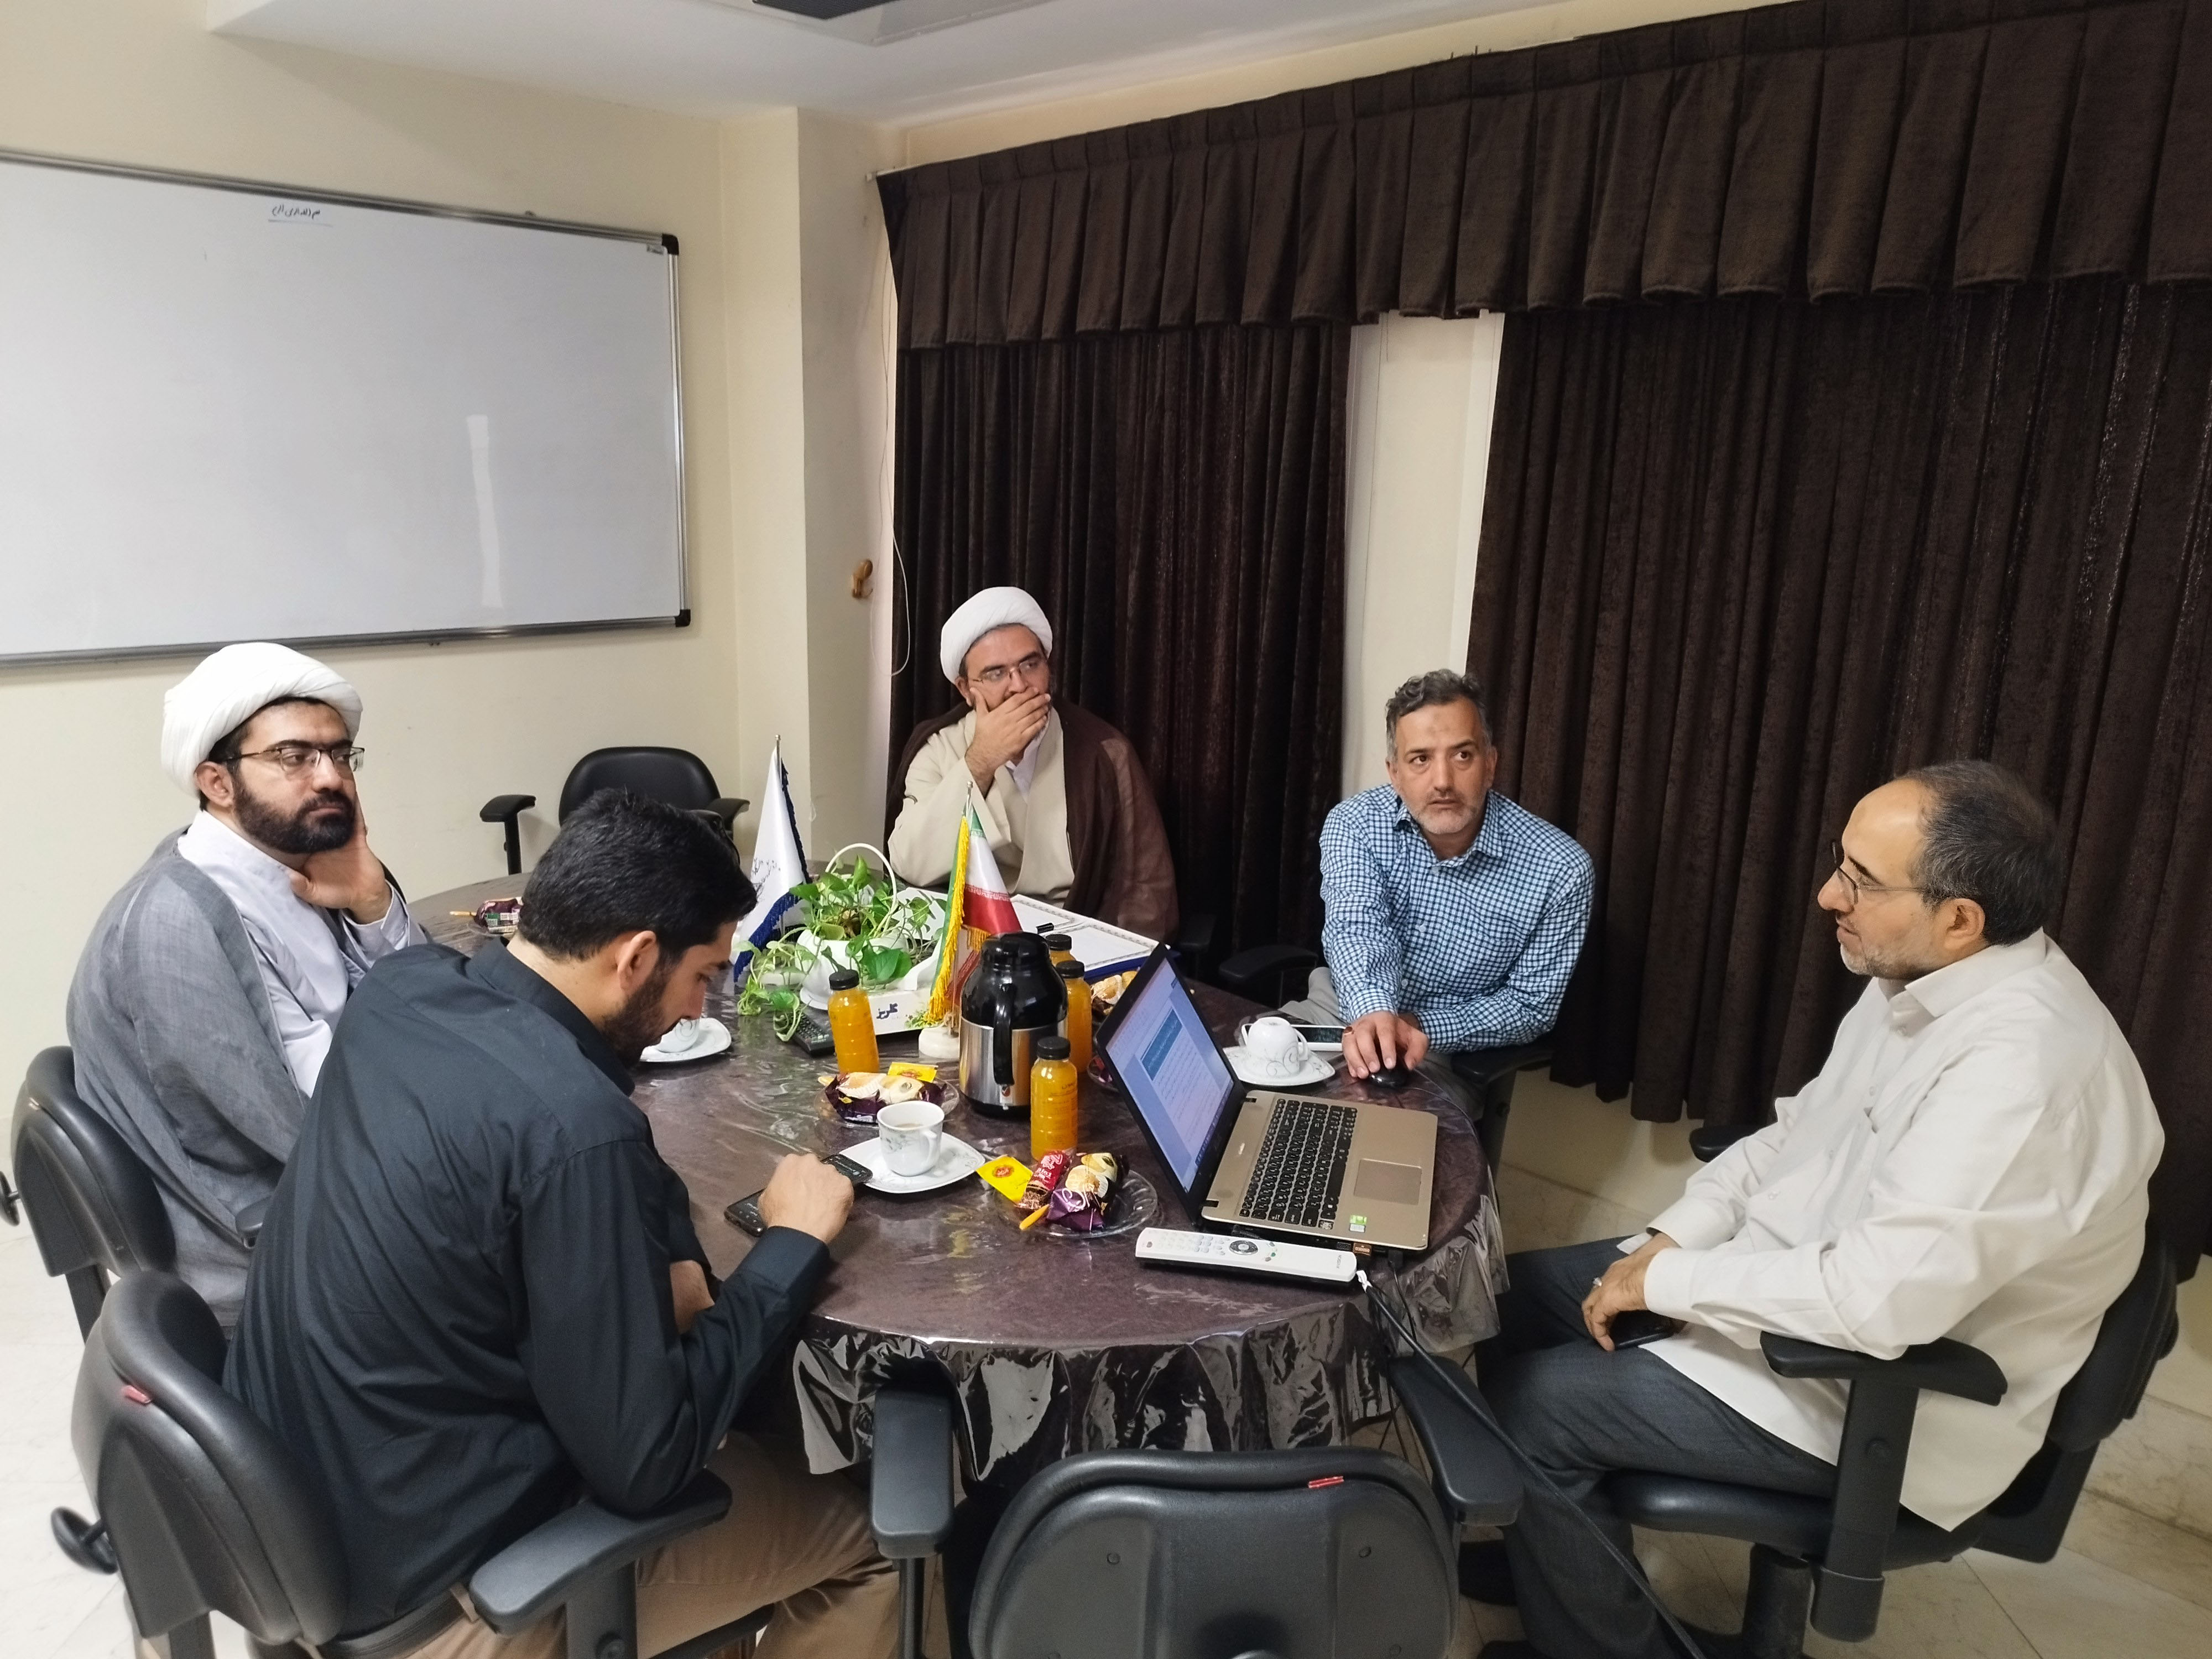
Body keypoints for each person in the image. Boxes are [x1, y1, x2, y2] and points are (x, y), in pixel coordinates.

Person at [1470, 761, 2163, 1659]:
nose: (1828, 894)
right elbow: (1799, 1135)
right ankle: (1556, 1555)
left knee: (1539, 1406)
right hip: (1791, 1299)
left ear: (1961, 918)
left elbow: (1877, 1304)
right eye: (1843, 861)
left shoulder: (2021, 1074)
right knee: (1505, 1300)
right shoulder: (1921, 975)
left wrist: (1670, 1284)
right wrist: (1673, 1239)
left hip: (1872, 1397)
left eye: (1863, 881)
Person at [227, 792, 898, 1658]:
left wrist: (670, 1254)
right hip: (447, 1604)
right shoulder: (574, 1130)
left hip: (319, 1505)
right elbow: (648, 1464)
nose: (699, 1010)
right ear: (637, 957)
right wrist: (791, 1246)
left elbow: (585, 1179)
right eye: (702, 976)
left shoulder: (403, 990)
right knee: (882, 1536)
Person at [66, 641, 422, 1325]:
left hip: (332, 1177)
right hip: (267, 1267)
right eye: (293, 757)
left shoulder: (299, 863)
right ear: (217, 783)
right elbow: (308, 1123)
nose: (331, 778)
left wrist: (374, 905)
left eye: (340, 754)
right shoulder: (176, 922)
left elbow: (408, 1014)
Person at [1313, 669, 1592, 1081]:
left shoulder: (1561, 869)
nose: (1443, 782)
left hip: (1442, 1050)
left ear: (1490, 764)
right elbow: (1358, 930)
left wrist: (1419, 1025)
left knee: (1381, 1124)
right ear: (1395, 773)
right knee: (1245, 1097)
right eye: (1421, 759)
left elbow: (1530, 1006)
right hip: (1339, 1010)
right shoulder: (1354, 824)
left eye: (1462, 756)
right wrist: (1375, 1013)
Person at [887, 585, 1179, 938]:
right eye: (996, 673)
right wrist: (981, 760)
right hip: (974, 943)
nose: (1019, 686)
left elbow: (1145, 891)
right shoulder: (937, 749)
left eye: (1030, 664)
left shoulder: (1105, 752)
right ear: (965, 689)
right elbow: (909, 864)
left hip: (1072, 944)